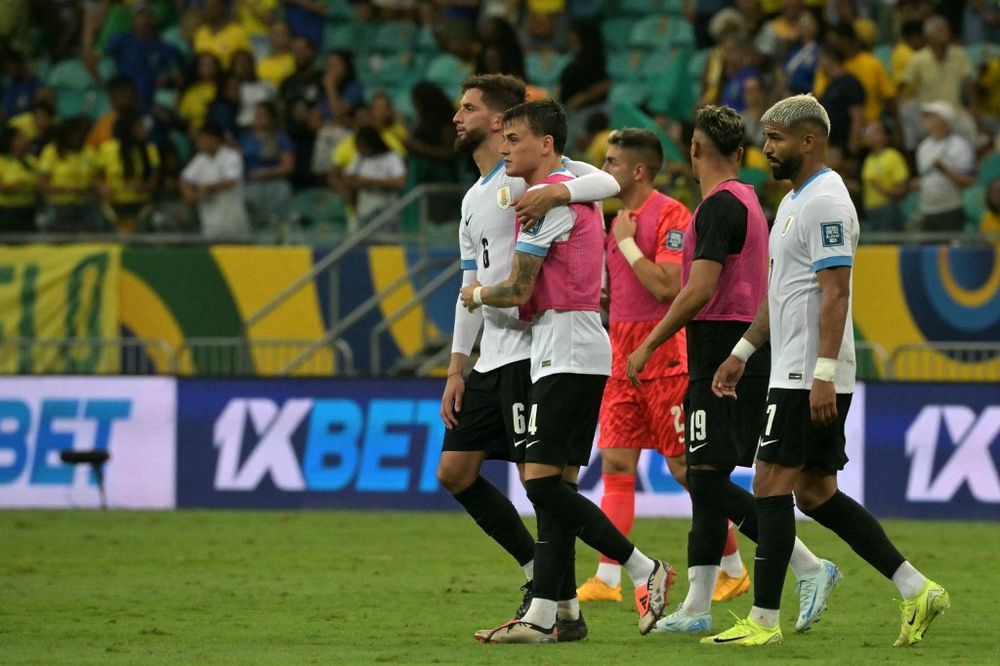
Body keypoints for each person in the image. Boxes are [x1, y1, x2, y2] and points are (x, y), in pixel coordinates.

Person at [704, 93, 950, 647]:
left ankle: (763, 622)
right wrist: (742, 353)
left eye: (777, 139)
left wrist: (821, 373)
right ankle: (917, 588)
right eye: (766, 138)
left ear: (809, 141)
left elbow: (835, 293)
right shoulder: (795, 200)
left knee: (769, 484)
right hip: (791, 368)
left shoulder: (828, 203)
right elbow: (781, 293)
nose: (767, 148)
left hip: (806, 374)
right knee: (814, 493)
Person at [460, 99, 673, 644]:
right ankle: (550, 617)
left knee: (542, 485)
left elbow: (519, 288)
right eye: (502, 140)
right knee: (553, 487)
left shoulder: (552, 199)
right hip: (559, 345)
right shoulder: (554, 191)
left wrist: (476, 292)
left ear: (546, 145)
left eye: (514, 140)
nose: (504, 148)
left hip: (570, 346)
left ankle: (643, 567)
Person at [626, 104, 838, 637]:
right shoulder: (749, 200)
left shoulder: (719, 207)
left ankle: (808, 565)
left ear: (693, 151)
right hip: (734, 345)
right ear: (740, 153)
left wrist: (649, 343)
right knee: (708, 477)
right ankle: (699, 604)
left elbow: (697, 290)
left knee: (706, 477)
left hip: (725, 347)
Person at [437, 75, 621, 644]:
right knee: (455, 472)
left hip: (531, 350)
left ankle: (556, 608)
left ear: (499, 123)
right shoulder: (474, 198)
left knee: (541, 483)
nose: (456, 117)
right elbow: (470, 284)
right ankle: (540, 581)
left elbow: (611, 181)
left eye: (468, 108)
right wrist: (456, 366)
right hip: (489, 356)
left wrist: (563, 193)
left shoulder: (542, 179)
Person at [576, 128, 747, 606]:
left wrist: (629, 247)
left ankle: (733, 569)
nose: (604, 170)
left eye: (610, 162)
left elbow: (670, 287)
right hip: (620, 349)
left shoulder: (671, 215)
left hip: (665, 351)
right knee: (615, 462)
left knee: (684, 468)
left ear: (637, 170)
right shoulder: (612, 219)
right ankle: (608, 578)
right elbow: (622, 290)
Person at [913, 101, 976, 233]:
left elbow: (968, 181)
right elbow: (924, 176)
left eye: (931, 116)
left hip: (950, 209)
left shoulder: (959, 145)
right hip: (927, 209)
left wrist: (945, 170)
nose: (926, 119)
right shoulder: (923, 147)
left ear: (944, 119)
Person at [180, 121, 250, 239]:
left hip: (233, 225)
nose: (198, 143)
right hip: (210, 226)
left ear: (213, 138)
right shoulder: (200, 160)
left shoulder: (231, 156)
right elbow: (184, 178)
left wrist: (208, 188)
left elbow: (231, 181)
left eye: (202, 138)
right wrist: (189, 194)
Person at [97, 110, 160, 234]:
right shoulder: (108, 149)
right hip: (114, 204)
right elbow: (98, 176)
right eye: (140, 126)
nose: (144, 130)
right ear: (129, 129)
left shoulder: (150, 150)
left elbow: (154, 181)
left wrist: (140, 187)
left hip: (141, 205)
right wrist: (103, 187)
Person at [239, 101, 294, 230]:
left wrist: (265, 173)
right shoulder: (245, 138)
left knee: (277, 221)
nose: (258, 118)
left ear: (271, 117)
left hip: (275, 185)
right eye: (256, 115)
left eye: (262, 115)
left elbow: (288, 166)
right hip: (250, 185)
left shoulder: (281, 138)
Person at [860, 120, 909, 233]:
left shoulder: (893, 156)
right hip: (871, 210)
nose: (870, 133)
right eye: (869, 130)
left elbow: (903, 189)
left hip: (888, 209)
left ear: (886, 137)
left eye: (876, 131)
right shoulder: (869, 159)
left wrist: (881, 189)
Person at [0, 126, 39, 233]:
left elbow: (39, 181)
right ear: (10, 141)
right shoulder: (2, 161)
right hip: (6, 211)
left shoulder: (31, 160)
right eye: (20, 137)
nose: (25, 140)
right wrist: (12, 186)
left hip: (28, 209)